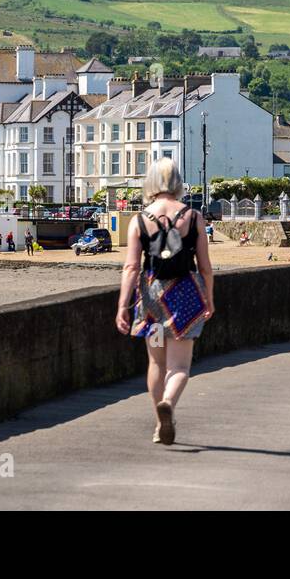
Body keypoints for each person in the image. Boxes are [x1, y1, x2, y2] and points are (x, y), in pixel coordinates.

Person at [116, 157, 215, 445]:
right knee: (180, 367)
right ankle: (169, 404)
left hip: (152, 300)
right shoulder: (194, 217)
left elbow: (131, 267)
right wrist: (208, 298)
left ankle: (160, 426)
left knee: (156, 363)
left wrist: (123, 305)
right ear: (177, 183)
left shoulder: (139, 220)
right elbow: (205, 266)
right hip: (185, 296)